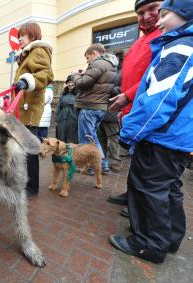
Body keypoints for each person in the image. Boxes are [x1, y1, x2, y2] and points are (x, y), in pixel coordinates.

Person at [109, 0, 193, 264]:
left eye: (165, 14)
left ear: (184, 13)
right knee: (169, 189)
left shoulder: (179, 47)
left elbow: (159, 98)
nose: (158, 20)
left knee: (148, 188)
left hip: (160, 135)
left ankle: (148, 244)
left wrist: (130, 132)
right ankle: (169, 239)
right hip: (176, 137)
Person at [107, 0, 163, 205]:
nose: (146, 16)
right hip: (132, 109)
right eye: (140, 12)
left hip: (148, 111)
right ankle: (132, 195)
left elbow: (157, 75)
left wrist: (127, 96)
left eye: (152, 9)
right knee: (137, 159)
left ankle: (139, 206)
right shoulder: (141, 40)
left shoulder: (166, 36)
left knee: (149, 165)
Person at [12, 22, 53, 197]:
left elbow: (47, 74)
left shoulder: (38, 50)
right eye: (19, 35)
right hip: (23, 110)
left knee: (30, 150)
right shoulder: (26, 55)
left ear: (33, 36)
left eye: (23, 35)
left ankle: (32, 187)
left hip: (29, 111)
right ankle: (25, 182)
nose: (19, 38)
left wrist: (27, 80)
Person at [71, 43, 118, 174]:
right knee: (93, 138)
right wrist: (85, 74)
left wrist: (75, 75)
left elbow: (83, 84)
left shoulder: (98, 64)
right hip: (100, 107)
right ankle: (102, 165)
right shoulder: (111, 65)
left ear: (94, 53)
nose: (87, 61)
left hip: (89, 106)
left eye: (87, 57)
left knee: (86, 140)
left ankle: (91, 167)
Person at [97, 50, 125, 173]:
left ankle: (115, 163)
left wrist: (108, 88)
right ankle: (103, 163)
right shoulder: (107, 70)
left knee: (114, 139)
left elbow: (123, 89)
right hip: (100, 109)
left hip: (113, 110)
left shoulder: (123, 72)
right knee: (101, 138)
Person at [55, 75, 78, 143]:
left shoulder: (79, 94)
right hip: (62, 118)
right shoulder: (63, 94)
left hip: (73, 118)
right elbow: (59, 106)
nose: (70, 84)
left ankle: (71, 153)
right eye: (68, 82)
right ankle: (62, 152)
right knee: (61, 135)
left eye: (72, 82)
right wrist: (58, 118)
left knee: (72, 137)